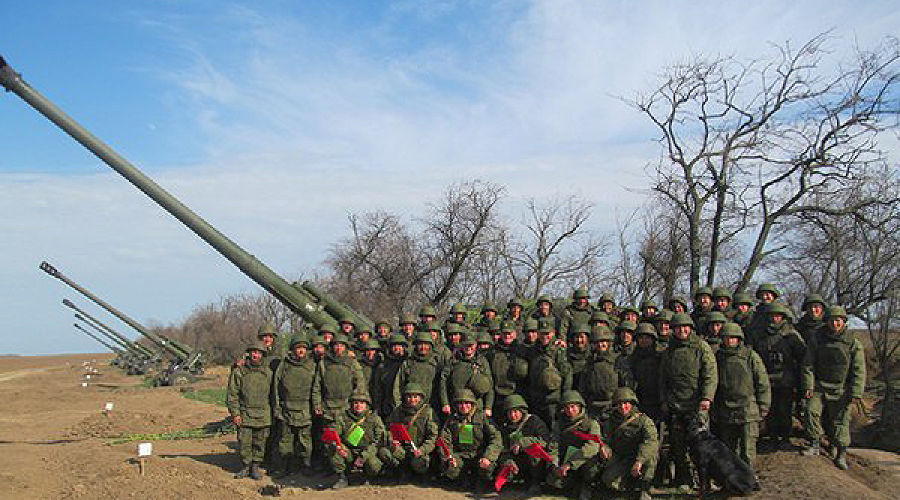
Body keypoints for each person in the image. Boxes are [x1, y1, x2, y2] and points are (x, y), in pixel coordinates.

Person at [801, 306, 866, 470]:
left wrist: (856, 392)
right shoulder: (818, 339)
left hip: (841, 388)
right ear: (827, 322)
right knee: (810, 411)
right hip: (819, 386)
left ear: (844, 322)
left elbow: (859, 369)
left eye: (839, 320)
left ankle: (841, 453)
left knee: (840, 422)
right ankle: (815, 443)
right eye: (832, 320)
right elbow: (808, 364)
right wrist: (808, 385)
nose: (835, 323)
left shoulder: (852, 343)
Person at [659, 313, 717, 492]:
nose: (681, 331)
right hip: (677, 406)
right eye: (677, 328)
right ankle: (684, 479)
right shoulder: (669, 352)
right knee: (678, 446)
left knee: (701, 446)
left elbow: (710, 375)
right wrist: (665, 401)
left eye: (685, 327)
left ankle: (705, 480)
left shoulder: (701, 347)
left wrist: (707, 398)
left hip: (697, 405)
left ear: (690, 328)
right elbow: (663, 379)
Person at [713, 323, 771, 467]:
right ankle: (732, 480)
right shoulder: (718, 358)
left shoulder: (750, 356)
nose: (730, 341)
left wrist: (763, 406)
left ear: (739, 339)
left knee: (748, 450)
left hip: (747, 409)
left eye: (733, 338)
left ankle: (749, 478)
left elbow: (762, 381)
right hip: (726, 410)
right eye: (726, 338)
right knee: (728, 450)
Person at [753, 303, 806, 449]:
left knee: (785, 410)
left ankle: (785, 437)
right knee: (770, 410)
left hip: (786, 379)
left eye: (778, 316)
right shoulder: (761, 335)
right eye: (772, 316)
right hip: (767, 379)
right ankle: (773, 436)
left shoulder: (791, 335)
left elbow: (802, 357)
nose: (775, 318)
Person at [439, 389, 502, 493]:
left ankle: (481, 481)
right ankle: (463, 479)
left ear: (473, 404)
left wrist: (488, 457)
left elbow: (496, 437)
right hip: (460, 454)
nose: (464, 406)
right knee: (451, 468)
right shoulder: (452, 419)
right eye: (460, 403)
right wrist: (449, 457)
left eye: (467, 403)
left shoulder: (482, 417)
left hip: (479, 455)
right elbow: (444, 440)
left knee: (487, 468)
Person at [546, 390, 607, 500]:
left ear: (580, 406)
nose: (570, 410)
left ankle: (586, 486)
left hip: (584, 460)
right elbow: (554, 445)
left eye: (573, 406)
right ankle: (573, 483)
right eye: (567, 407)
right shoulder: (559, 424)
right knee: (553, 481)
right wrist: (554, 464)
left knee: (591, 469)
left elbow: (592, 446)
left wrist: (570, 464)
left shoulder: (591, 423)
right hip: (566, 459)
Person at [600, 388, 659, 500]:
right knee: (608, 479)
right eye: (619, 404)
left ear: (632, 403)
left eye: (626, 403)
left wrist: (639, 461)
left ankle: (644, 489)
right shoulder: (611, 421)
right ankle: (628, 484)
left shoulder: (644, 420)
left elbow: (650, 442)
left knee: (651, 456)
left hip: (640, 458)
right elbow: (605, 439)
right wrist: (604, 447)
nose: (623, 407)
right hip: (622, 458)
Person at [227, 341, 274, 480]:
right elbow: (232, 394)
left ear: (262, 355)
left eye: (258, 353)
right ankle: (245, 466)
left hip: (263, 414)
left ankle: (255, 466)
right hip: (245, 413)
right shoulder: (239, 371)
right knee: (244, 443)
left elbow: (273, 394)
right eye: (253, 352)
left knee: (260, 443)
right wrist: (235, 413)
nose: (255, 355)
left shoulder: (268, 373)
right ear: (249, 354)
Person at [274, 334, 317, 477]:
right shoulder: (284, 365)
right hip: (287, 408)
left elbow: (317, 388)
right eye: (298, 348)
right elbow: (276, 386)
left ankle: (306, 466)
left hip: (305, 409)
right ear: (292, 350)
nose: (300, 351)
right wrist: (277, 407)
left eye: (303, 348)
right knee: (286, 440)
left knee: (305, 441)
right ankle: (284, 467)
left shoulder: (312, 365)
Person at [327, 391, 387, 489]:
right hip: (349, 451)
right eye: (356, 403)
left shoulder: (374, 418)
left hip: (368, 451)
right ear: (351, 404)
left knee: (373, 464)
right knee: (334, 450)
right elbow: (335, 435)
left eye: (362, 403)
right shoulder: (343, 417)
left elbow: (379, 441)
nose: (359, 406)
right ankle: (342, 477)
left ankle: (368, 478)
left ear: (367, 405)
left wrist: (365, 455)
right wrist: (339, 447)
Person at [381, 383, 439, 481]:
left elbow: (432, 437)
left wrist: (422, 450)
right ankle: (402, 470)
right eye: (409, 397)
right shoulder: (398, 411)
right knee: (384, 452)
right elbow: (389, 429)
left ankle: (418, 474)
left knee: (421, 462)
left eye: (415, 397)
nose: (412, 400)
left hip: (419, 450)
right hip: (402, 449)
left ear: (421, 397)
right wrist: (392, 442)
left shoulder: (428, 412)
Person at [496, 394, 551, 496]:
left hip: (534, 463)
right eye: (510, 412)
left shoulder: (534, 421)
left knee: (535, 451)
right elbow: (502, 447)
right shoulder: (505, 426)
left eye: (516, 411)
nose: (513, 415)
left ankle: (535, 483)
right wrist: (508, 461)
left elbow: (545, 440)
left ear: (522, 411)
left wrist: (523, 443)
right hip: (516, 460)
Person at [579, 325, 630, 425]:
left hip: (614, 407)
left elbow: (626, 385)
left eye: (603, 342)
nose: (600, 345)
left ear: (609, 343)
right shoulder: (589, 363)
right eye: (597, 342)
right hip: (593, 408)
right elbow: (583, 386)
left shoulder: (618, 360)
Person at [527, 318, 572, 429]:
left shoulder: (559, 350)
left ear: (553, 333)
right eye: (542, 333)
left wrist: (565, 400)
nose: (544, 337)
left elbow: (567, 376)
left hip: (553, 401)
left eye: (547, 333)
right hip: (536, 400)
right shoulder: (532, 351)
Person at [312, 334, 367, 423]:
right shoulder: (324, 363)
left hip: (347, 407)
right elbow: (317, 386)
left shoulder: (352, 362)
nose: (339, 348)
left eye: (341, 345)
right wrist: (317, 404)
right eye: (336, 345)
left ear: (345, 347)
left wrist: (356, 404)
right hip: (328, 407)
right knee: (329, 435)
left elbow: (360, 384)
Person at [440, 333, 495, 417]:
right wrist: (445, 403)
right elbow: (443, 381)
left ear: (476, 345)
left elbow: (489, 385)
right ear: (461, 345)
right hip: (456, 405)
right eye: (466, 345)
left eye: (471, 345)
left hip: (477, 405)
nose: (468, 348)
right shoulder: (453, 361)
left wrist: (488, 407)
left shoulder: (482, 362)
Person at [629, 323, 664, 422]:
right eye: (641, 338)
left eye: (647, 337)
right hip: (640, 401)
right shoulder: (633, 359)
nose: (644, 340)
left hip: (658, 400)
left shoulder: (661, 357)